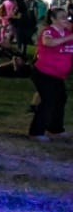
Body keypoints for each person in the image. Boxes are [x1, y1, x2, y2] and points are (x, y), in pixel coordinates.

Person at [29, 8, 72, 141]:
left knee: (60, 99)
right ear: (53, 19)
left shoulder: (67, 33)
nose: (66, 19)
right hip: (44, 73)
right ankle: (36, 132)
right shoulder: (48, 31)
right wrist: (70, 37)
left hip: (57, 76)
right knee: (48, 100)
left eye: (66, 16)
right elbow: (48, 42)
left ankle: (55, 129)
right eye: (62, 17)